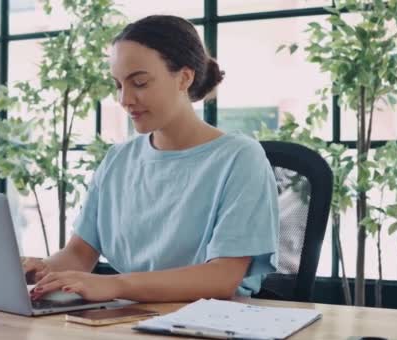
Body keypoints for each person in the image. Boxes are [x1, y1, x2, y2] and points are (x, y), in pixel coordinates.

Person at [23, 15, 279, 303]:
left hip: (209, 323)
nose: (124, 99)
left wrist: (115, 286)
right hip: (125, 319)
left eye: (140, 82)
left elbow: (222, 277)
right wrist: (41, 271)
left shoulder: (240, 159)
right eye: (119, 85)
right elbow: (80, 254)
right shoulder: (118, 159)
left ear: (184, 77)